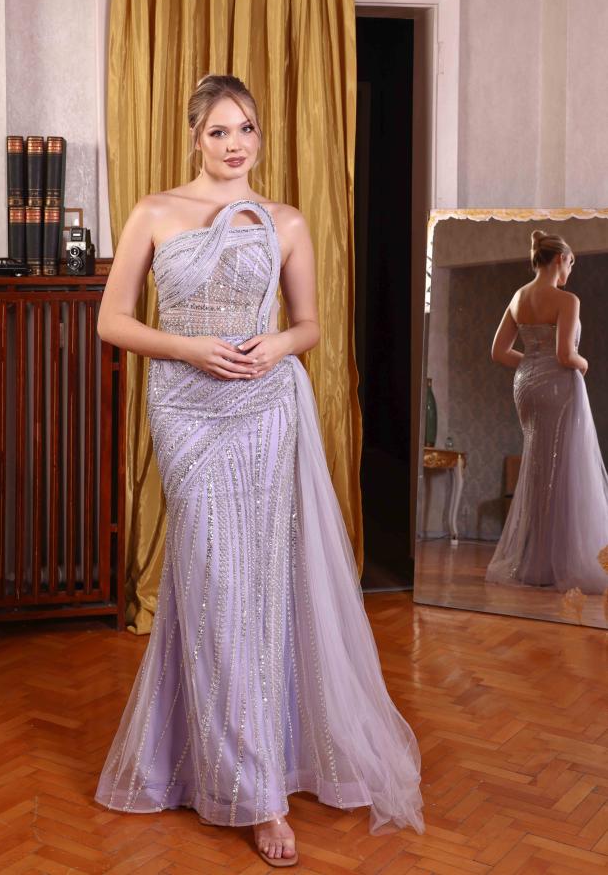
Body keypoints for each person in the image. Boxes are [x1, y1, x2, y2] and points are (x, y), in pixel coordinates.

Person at [93, 74, 423, 866]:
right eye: (219, 130)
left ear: (260, 135)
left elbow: (309, 325)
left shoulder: (287, 221)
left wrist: (276, 344)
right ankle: (235, 778)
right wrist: (188, 348)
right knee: (210, 578)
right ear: (194, 137)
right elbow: (112, 320)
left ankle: (259, 786)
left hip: (265, 407)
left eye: (246, 128)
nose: (235, 143)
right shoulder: (154, 212)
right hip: (185, 408)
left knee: (256, 586)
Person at [487, 230, 608, 594]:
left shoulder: (518, 296)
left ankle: (535, 563)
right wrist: (584, 364)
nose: (570, 270)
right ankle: (560, 562)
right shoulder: (567, 300)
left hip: (526, 386)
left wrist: (532, 365)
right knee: (566, 466)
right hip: (558, 386)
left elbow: (499, 352)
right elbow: (565, 355)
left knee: (539, 465)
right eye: (570, 263)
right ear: (559, 259)